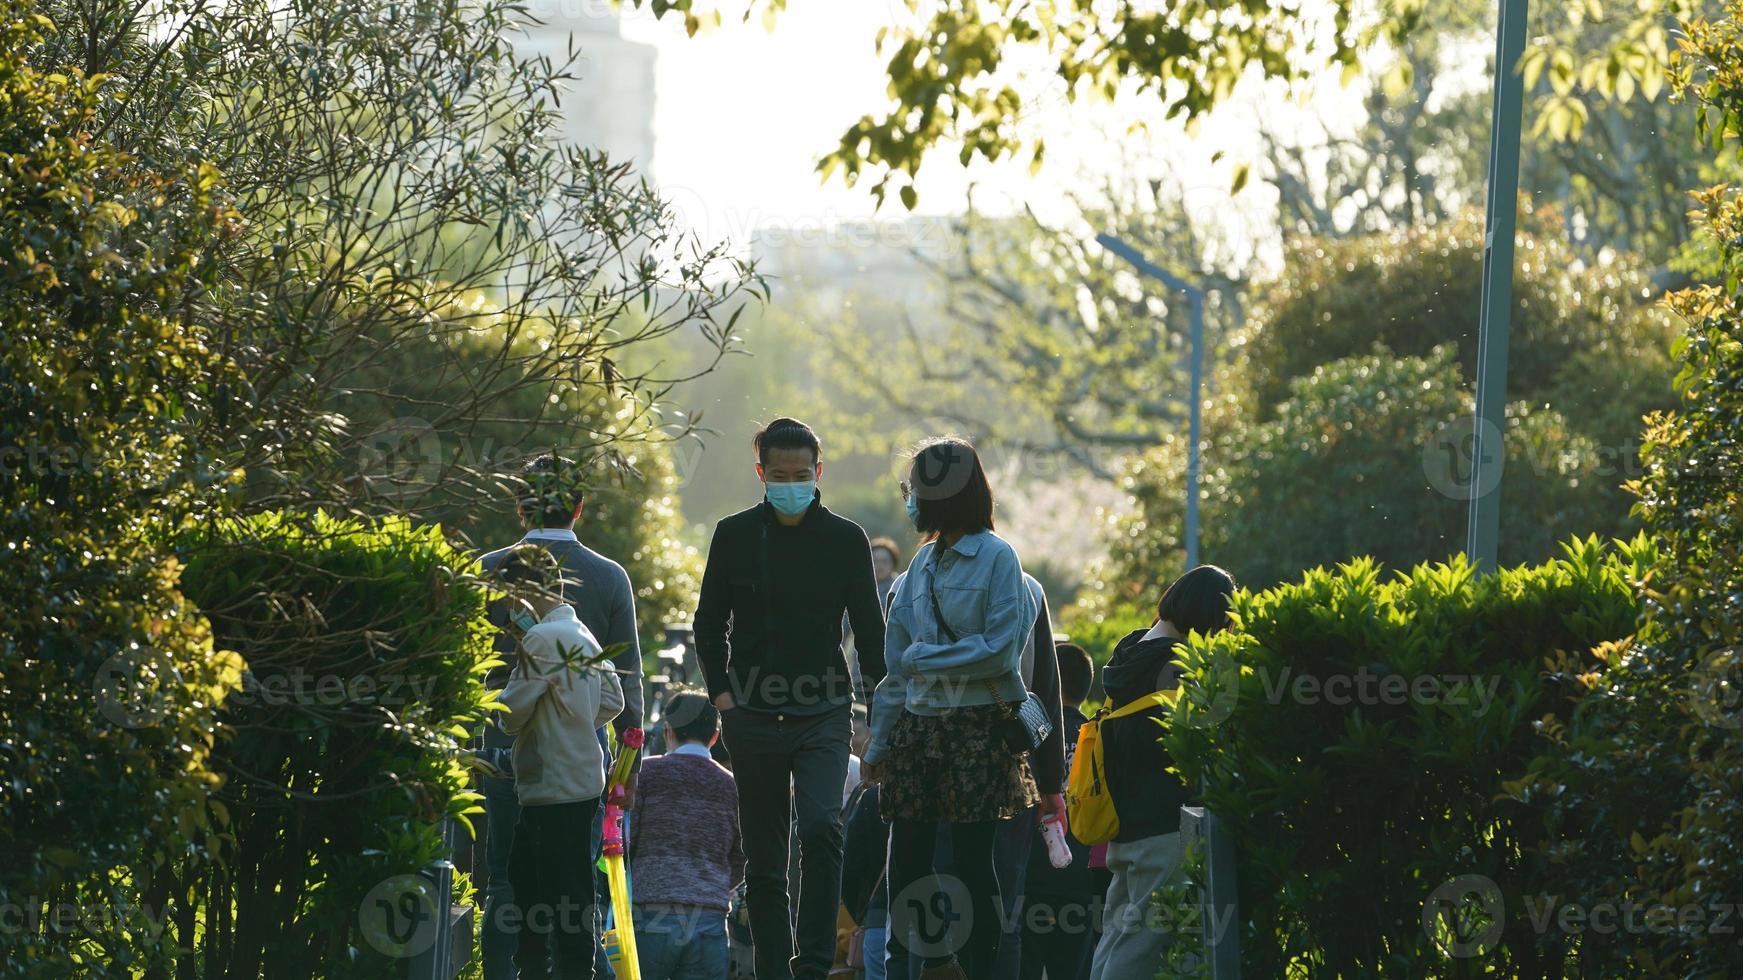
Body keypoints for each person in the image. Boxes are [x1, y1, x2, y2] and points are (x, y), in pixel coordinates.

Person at [694, 417, 888, 980]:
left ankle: (812, 965)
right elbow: (709, 624)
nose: (791, 483)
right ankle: (773, 969)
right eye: (779, 474)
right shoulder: (733, 535)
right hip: (751, 714)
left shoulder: (845, 539)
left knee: (823, 828)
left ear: (818, 472)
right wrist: (724, 701)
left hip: (824, 710)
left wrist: (878, 718)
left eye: (801, 474)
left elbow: (869, 633)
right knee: (764, 853)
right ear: (760, 473)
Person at [864, 436, 1039, 980]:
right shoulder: (920, 566)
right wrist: (877, 742)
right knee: (908, 859)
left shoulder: (997, 557)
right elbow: (896, 671)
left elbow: (1000, 650)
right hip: (919, 730)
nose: (909, 498)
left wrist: (925, 657)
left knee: (971, 860)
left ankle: (978, 968)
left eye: (914, 487)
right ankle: (934, 961)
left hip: (978, 729)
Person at [477, 453, 645, 980]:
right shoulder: (608, 576)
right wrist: (626, 768)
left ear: (520, 504)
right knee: (576, 884)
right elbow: (628, 679)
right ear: (579, 506)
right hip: (581, 761)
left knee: (506, 880)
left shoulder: (491, 569)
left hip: (501, 751)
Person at [1086, 566, 1237, 980]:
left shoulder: (1130, 650)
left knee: (1118, 935)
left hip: (1125, 824)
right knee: (1142, 946)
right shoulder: (1178, 665)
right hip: (1166, 827)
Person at [496, 545, 626, 980]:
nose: (510, 606)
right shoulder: (582, 635)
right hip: (583, 780)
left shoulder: (541, 640)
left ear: (527, 589)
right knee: (572, 890)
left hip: (549, 785)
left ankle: (544, 971)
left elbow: (509, 716)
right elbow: (614, 700)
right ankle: (569, 969)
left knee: (537, 893)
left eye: (511, 595)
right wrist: (575, 721)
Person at [631, 689, 745, 980]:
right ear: (714, 736)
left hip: (651, 914)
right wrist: (716, 885)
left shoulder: (646, 774)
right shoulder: (733, 787)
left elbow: (625, 840)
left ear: (668, 731)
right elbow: (743, 855)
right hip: (709, 916)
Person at [990, 575, 1067, 980]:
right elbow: (1046, 696)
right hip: (1011, 772)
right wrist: (1053, 786)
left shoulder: (912, 580)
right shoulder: (1028, 587)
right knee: (1005, 910)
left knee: (928, 908)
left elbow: (888, 673)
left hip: (932, 765)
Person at [1019, 643, 1097, 980]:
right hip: (1082, 874)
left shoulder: (1030, 725)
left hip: (1028, 871)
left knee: (1024, 966)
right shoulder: (1096, 733)